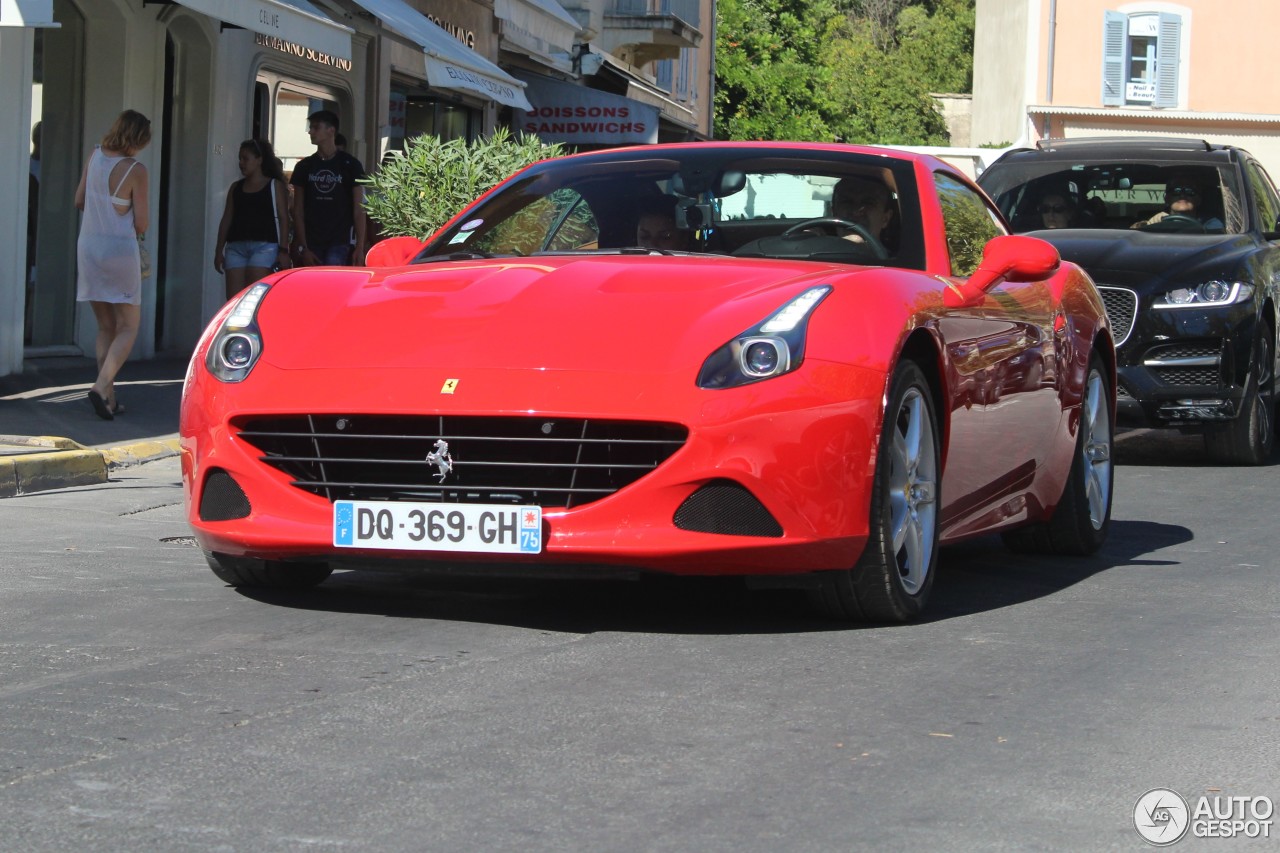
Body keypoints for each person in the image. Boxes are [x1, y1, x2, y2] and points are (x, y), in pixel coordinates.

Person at [74, 109, 151, 421]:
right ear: (138, 139)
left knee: (105, 325)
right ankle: (101, 385)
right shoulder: (136, 169)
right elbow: (141, 223)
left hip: (89, 247)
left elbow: (79, 200)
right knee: (129, 325)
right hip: (119, 250)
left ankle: (109, 398)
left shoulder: (94, 157)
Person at [214, 138, 292, 300]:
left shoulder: (274, 185)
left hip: (265, 246)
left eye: (246, 158)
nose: (241, 163)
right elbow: (227, 219)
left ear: (259, 160)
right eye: (240, 159)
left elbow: (284, 218)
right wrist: (218, 250)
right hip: (235, 246)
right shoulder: (236, 187)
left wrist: (284, 250)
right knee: (234, 300)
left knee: (255, 298)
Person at [290, 110, 367, 266]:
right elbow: (297, 210)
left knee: (335, 286)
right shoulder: (304, 166)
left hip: (340, 241)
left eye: (316, 127)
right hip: (311, 242)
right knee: (312, 287)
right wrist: (303, 247)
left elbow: (359, 209)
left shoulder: (351, 164)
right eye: (310, 127)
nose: (310, 132)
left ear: (331, 130)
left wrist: (360, 246)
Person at [1132, 175, 1224, 231]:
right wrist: (1148, 225)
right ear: (1166, 199)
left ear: (1198, 199)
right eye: (1176, 191)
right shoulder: (1156, 221)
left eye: (1189, 191)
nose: (1182, 195)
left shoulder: (1211, 223)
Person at [831, 175, 897, 248]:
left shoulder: (907, 258)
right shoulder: (816, 252)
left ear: (885, 219)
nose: (856, 212)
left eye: (868, 203)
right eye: (847, 202)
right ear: (834, 212)